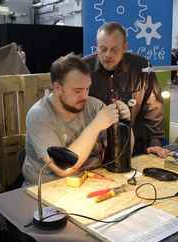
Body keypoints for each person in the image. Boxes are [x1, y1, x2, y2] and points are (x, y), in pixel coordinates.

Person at [22, 53, 132, 185]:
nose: (85, 96)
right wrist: (95, 126)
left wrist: (124, 122)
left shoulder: (94, 105)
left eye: (87, 89)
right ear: (58, 88)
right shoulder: (39, 116)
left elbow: (121, 153)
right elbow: (64, 169)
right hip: (48, 189)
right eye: (78, 90)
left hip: (91, 183)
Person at [83, 22, 167, 157]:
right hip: (94, 149)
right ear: (97, 46)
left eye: (114, 49)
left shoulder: (142, 67)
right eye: (103, 49)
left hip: (134, 147)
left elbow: (153, 107)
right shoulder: (83, 68)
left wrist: (155, 141)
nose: (108, 55)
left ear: (124, 47)